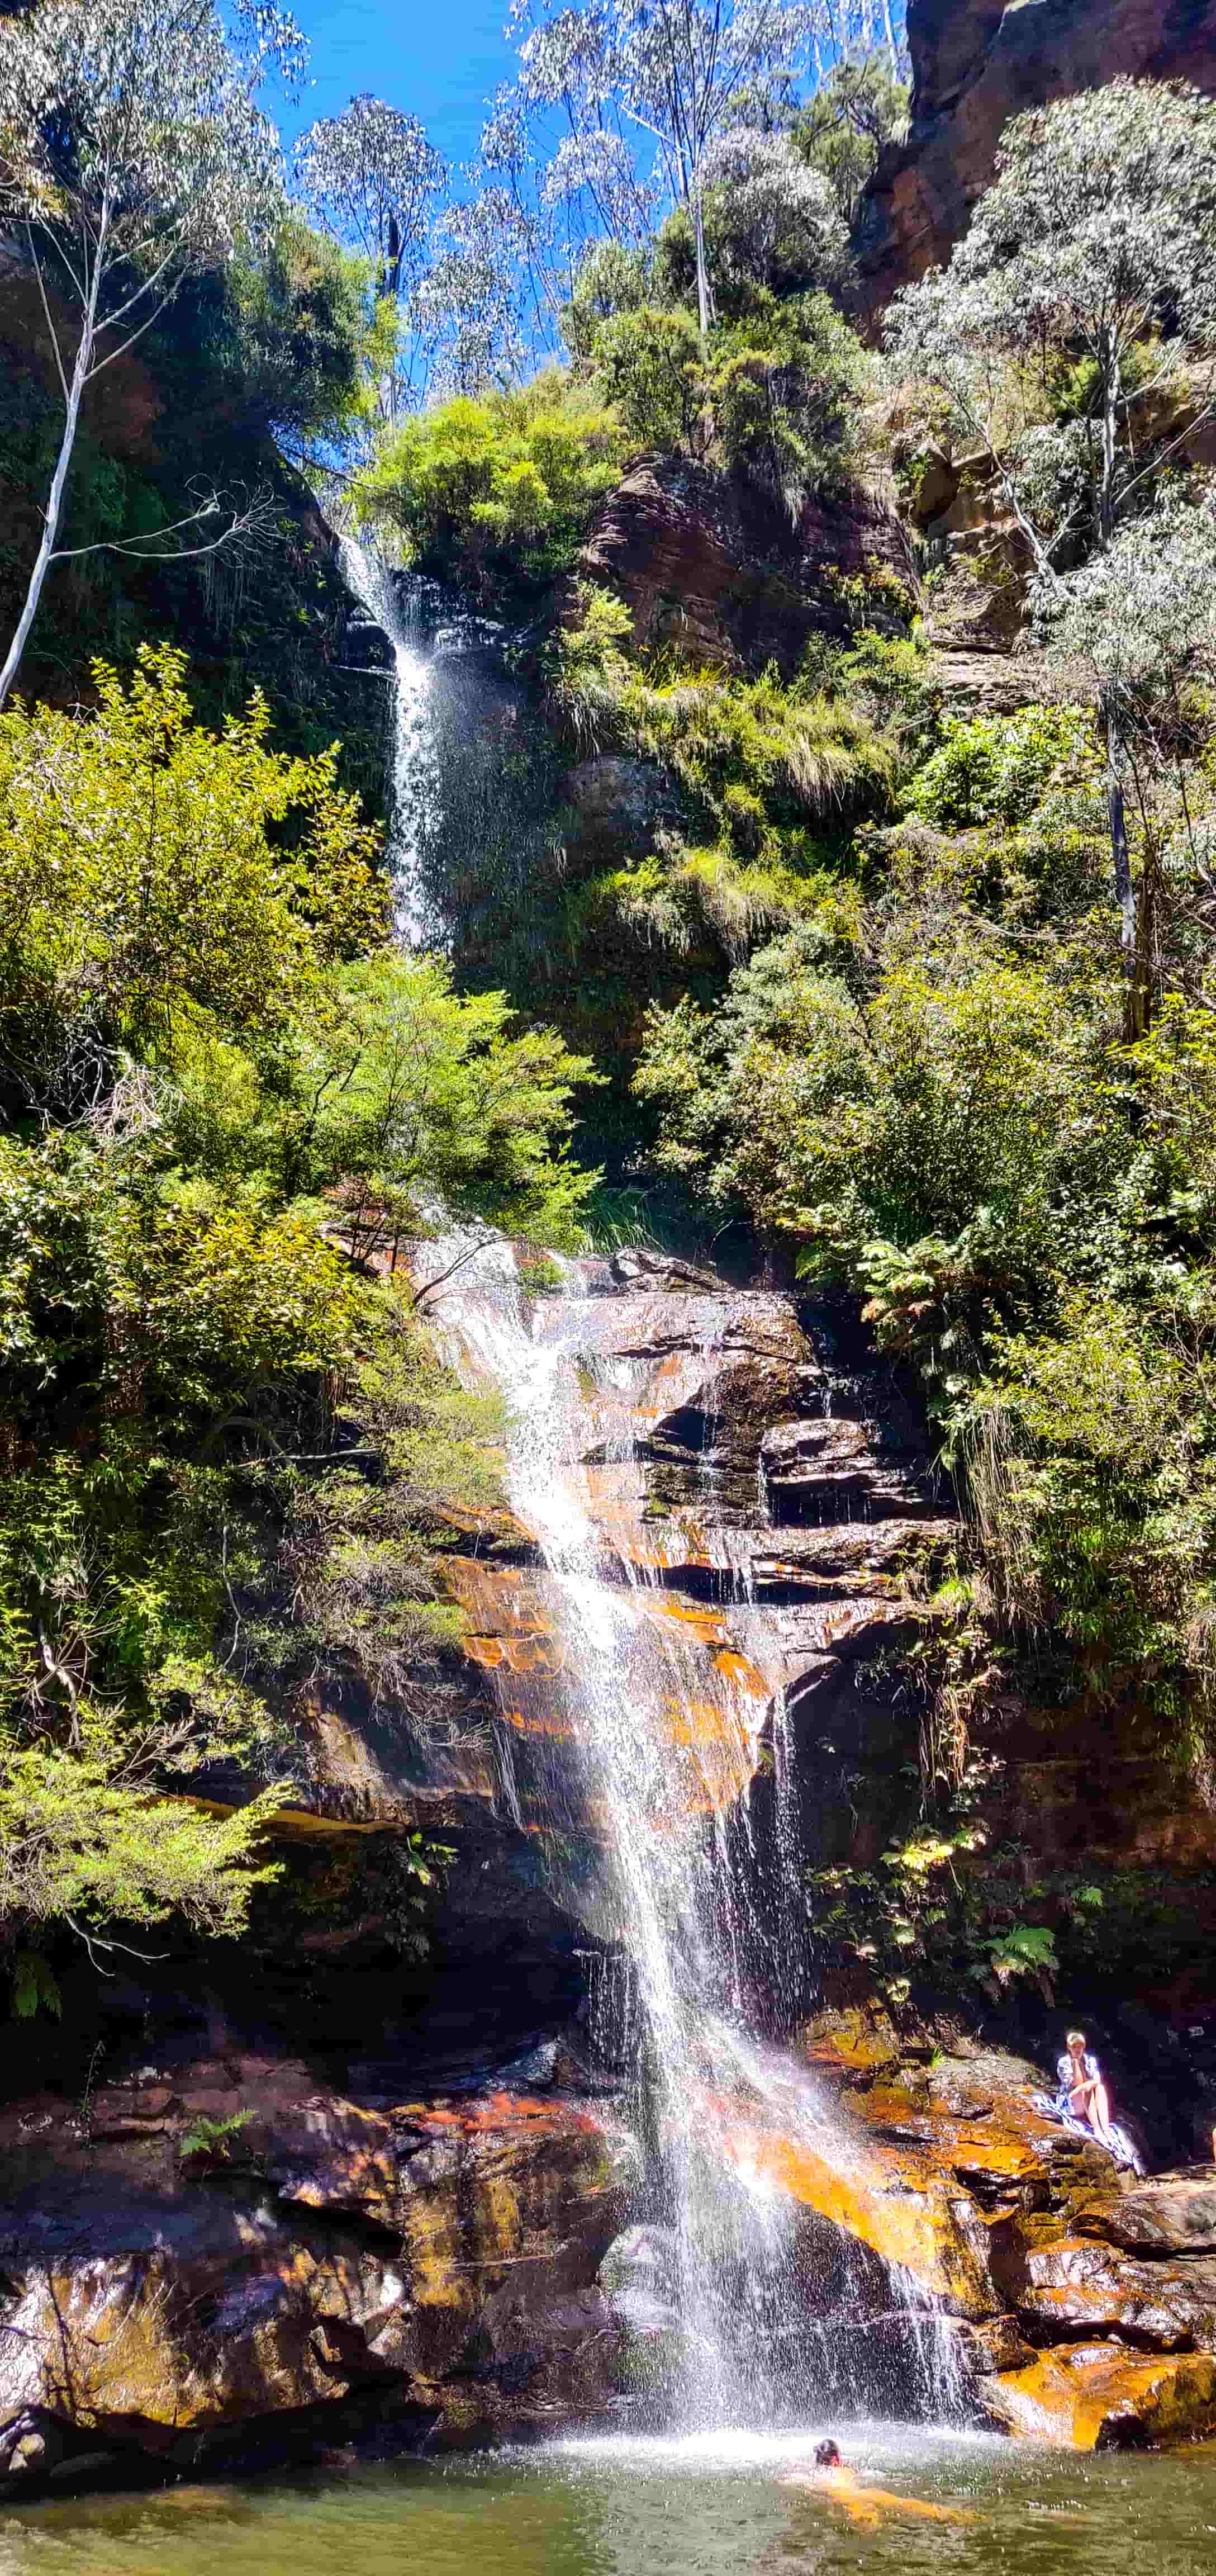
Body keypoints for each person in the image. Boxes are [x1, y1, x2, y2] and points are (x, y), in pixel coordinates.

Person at [783, 2438, 971, 2527]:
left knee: (868, 2525)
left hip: (846, 2500)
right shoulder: (846, 2470)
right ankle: (957, 2515)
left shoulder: (815, 2476)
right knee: (908, 2504)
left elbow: (795, 2479)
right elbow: (873, 2475)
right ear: (836, 2459)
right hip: (869, 2492)